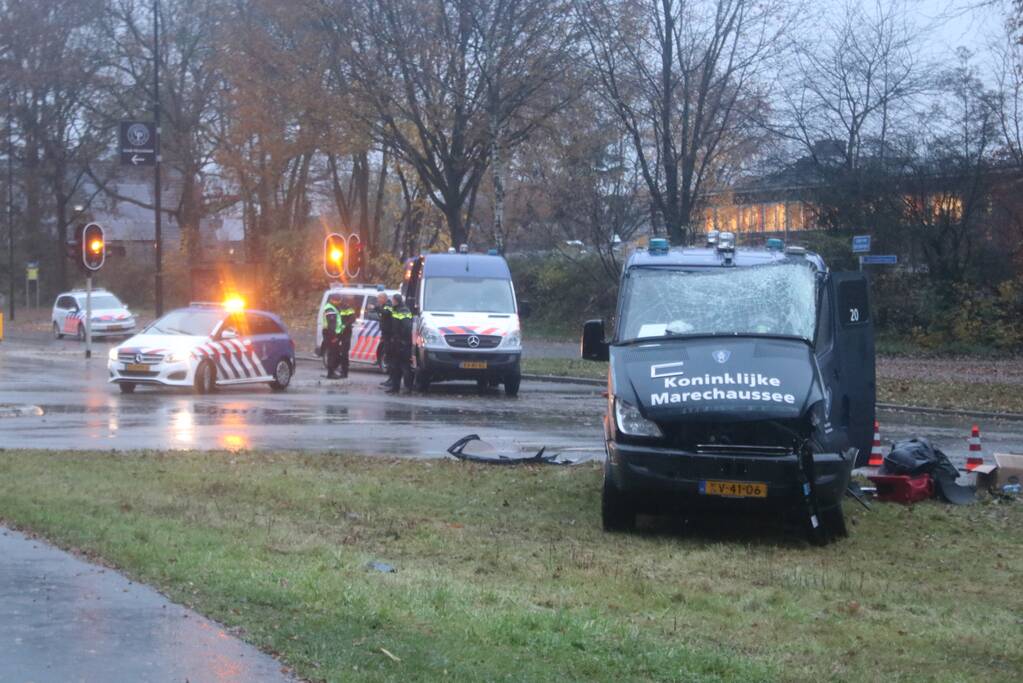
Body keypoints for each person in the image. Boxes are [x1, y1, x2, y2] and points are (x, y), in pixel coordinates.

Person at [386, 293, 413, 394]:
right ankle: (395, 387)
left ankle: (407, 388)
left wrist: (402, 340)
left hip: (403, 343)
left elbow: (407, 328)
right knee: (395, 366)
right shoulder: (396, 309)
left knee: (405, 366)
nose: (391, 302)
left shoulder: (404, 311)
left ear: (396, 301)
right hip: (396, 343)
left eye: (392, 300)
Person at [321, 292, 344, 379]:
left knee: (336, 353)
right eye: (338, 300)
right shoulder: (330, 309)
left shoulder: (333, 307)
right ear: (334, 300)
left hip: (332, 334)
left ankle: (332, 371)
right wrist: (334, 337)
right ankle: (330, 373)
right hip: (330, 334)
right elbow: (331, 325)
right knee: (332, 354)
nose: (339, 302)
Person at [375, 291, 395, 387]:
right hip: (386, 336)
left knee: (390, 358)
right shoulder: (385, 305)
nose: (378, 301)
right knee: (388, 357)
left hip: (390, 336)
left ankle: (392, 380)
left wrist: (376, 308)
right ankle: (390, 379)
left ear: (384, 298)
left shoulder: (388, 305)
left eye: (379, 299)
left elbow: (386, 313)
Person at [336, 295, 357, 379]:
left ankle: (344, 372)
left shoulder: (348, 308)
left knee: (344, 353)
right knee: (337, 352)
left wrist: (345, 325)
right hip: (338, 333)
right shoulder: (337, 307)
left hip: (346, 333)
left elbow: (352, 319)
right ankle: (339, 369)